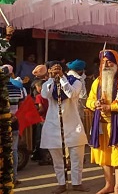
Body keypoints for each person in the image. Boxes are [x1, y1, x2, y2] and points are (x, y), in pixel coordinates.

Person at [86, 50, 118, 194]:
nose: (106, 64)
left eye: (109, 62)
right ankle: (108, 185)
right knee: (105, 157)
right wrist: (95, 104)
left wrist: (112, 107)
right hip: (102, 123)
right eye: (104, 62)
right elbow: (89, 100)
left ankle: (117, 187)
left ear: (116, 63)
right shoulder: (98, 81)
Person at [40, 61, 89, 194]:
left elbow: (71, 94)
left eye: (58, 69)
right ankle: (61, 183)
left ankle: (76, 183)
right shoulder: (47, 83)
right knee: (57, 158)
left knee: (77, 156)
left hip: (73, 124)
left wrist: (62, 77)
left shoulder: (76, 81)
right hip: (53, 125)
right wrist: (51, 78)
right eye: (53, 69)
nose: (56, 71)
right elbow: (45, 95)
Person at [3, 65, 27, 186]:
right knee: (13, 150)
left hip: (3, 123)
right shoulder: (19, 89)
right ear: (11, 75)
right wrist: (15, 116)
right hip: (14, 122)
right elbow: (22, 106)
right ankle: (14, 178)